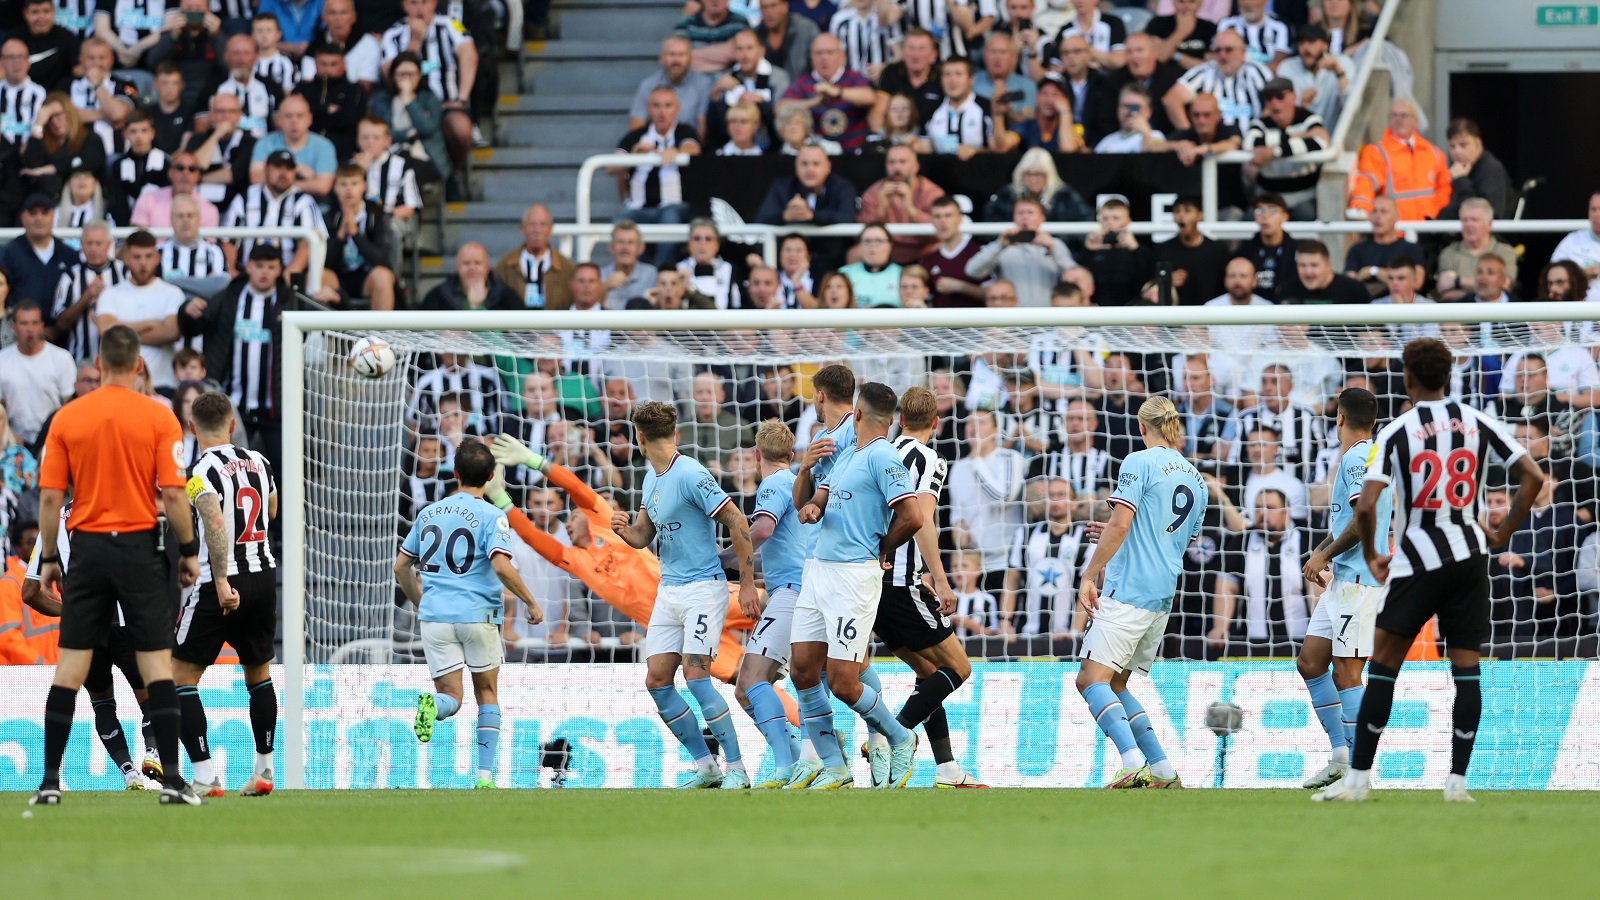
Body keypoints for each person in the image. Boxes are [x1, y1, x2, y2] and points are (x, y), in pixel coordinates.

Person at [1315, 338, 1544, 803]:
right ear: (1449, 375)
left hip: (1418, 558)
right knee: (1466, 669)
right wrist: (1500, 535)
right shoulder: (1478, 421)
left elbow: (1370, 502)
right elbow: (1533, 476)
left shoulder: (1397, 431)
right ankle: (1457, 783)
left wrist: (1377, 556)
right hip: (1468, 556)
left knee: (1381, 668)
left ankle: (1357, 781)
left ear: (1408, 379)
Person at [29, 323, 202, 807]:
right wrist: (187, 552)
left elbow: (49, 496)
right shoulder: (159, 416)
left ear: (100, 365)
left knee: (70, 668)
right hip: (135, 550)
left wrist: (47, 557)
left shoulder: (68, 417)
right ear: (140, 366)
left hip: (85, 551)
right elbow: (171, 493)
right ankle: (172, 780)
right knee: (156, 667)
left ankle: (48, 784)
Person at [608, 401, 758, 789]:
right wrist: (624, 530)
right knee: (657, 680)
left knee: (696, 678)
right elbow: (644, 537)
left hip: (702, 590)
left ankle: (738, 769)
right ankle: (706, 766)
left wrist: (744, 582)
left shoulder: (691, 473)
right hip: (669, 591)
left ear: (639, 438)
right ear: (673, 432)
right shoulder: (651, 478)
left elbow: (737, 521)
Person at [789, 382, 921, 790]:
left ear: (859, 415)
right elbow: (819, 498)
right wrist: (813, 506)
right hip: (819, 572)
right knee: (802, 670)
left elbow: (913, 515)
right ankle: (835, 766)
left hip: (853, 577)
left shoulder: (883, 456)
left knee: (845, 682)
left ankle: (901, 737)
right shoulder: (849, 453)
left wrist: (882, 547)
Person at [1075, 396, 1205, 789]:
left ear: (1141, 426)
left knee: (1089, 680)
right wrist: (1120, 534)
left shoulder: (1138, 461)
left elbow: (1121, 525)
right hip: (1163, 593)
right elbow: (1169, 536)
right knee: (1116, 684)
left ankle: (1132, 762)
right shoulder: (1196, 478)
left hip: (1128, 588)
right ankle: (1163, 771)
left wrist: (1089, 575)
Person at [396, 441, 541, 790]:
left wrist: (419, 601)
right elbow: (501, 565)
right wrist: (530, 602)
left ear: (455, 474)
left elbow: (401, 566)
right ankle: (484, 777)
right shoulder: (493, 515)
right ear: (491, 477)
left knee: (453, 698)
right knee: (486, 693)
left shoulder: (428, 513)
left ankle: (437, 704)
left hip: (435, 618)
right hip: (477, 615)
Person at [170, 392, 279, 797]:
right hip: (264, 575)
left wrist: (218, 581)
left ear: (194, 429)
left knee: (180, 675)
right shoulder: (260, 461)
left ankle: (205, 775)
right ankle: (265, 771)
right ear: (232, 425)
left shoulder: (198, 470)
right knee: (259, 673)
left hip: (224, 580)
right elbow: (270, 508)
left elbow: (214, 520)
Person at [877, 387, 986, 788]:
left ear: (900, 419)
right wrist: (940, 580)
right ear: (936, 423)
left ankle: (947, 769)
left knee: (928, 672)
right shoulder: (929, 460)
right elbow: (921, 518)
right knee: (959, 668)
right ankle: (896, 733)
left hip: (870, 583)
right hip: (902, 582)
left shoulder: (880, 452)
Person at [1296, 387, 1390, 790]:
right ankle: (1339, 756)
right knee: (1311, 662)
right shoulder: (1373, 454)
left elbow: (1362, 517)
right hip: (1343, 582)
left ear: (1338, 418)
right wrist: (1322, 552)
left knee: (1348, 673)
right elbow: (1351, 521)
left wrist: (1325, 554)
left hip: (1359, 584)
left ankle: (1359, 773)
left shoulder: (1357, 456)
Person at [178, 244, 293, 474]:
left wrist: (337, 298)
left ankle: (277, 513)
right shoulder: (230, 296)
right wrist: (186, 311)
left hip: (274, 410)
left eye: (271, 267)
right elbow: (196, 325)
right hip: (233, 405)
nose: (264, 272)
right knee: (229, 469)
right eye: (259, 266)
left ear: (280, 269)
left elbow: (328, 314)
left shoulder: (290, 299)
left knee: (284, 473)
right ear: (248, 266)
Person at [379, 0, 477, 179]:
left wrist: (461, 99)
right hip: (408, 107)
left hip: (446, 105)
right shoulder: (392, 34)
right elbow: (389, 75)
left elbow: (469, 55)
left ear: (434, 4)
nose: (419, 8)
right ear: (404, 6)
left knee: (461, 128)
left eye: (425, 2)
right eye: (413, 3)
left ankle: (453, 173)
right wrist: (415, 41)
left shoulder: (450, 24)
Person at [222, 149, 336, 300]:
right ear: (266, 169)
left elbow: (308, 243)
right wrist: (231, 271)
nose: (283, 173)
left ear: (295, 172)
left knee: (324, 279)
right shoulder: (245, 197)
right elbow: (228, 239)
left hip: (287, 275)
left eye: (289, 168)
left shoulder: (304, 201)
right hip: (247, 273)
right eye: (277, 167)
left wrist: (291, 271)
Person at [613, 86, 700, 268]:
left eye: (667, 106)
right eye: (656, 106)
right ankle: (641, 272)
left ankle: (662, 274)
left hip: (674, 206)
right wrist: (633, 156)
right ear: (648, 108)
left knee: (670, 218)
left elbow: (694, 148)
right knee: (621, 221)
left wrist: (676, 151)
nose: (662, 112)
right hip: (638, 208)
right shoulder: (636, 136)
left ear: (677, 108)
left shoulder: (684, 131)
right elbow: (610, 167)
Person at [94, 231, 188, 393]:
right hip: (122, 387)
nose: (143, 263)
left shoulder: (173, 293)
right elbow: (106, 331)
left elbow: (171, 332)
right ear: (127, 259)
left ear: (157, 258)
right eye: (137, 257)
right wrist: (150, 324)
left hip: (163, 384)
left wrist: (123, 336)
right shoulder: (111, 294)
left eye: (148, 256)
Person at [1346, 98, 1451, 221]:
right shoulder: (1377, 152)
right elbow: (1366, 183)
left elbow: (1444, 187)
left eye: (1404, 115)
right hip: (1395, 230)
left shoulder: (1433, 152)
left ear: (1416, 121)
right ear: (1388, 121)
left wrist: (1436, 213)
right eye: (1393, 115)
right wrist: (1360, 207)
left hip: (1428, 230)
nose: (1398, 120)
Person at [1242, 77, 1326, 220]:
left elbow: (1319, 142)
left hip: (1303, 198)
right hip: (1269, 200)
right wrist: (1299, 137)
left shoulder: (1309, 119)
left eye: (1280, 97)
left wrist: (1274, 151)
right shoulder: (1259, 123)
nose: (1274, 103)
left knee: (1306, 214)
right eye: (1269, 98)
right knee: (1246, 221)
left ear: (1293, 97)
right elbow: (1250, 143)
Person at [966, 197, 1075, 307]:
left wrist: (1053, 249)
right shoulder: (1002, 245)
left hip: (1048, 318)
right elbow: (972, 272)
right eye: (1020, 213)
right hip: (1013, 320)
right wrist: (999, 245)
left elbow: (1075, 279)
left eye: (1030, 212)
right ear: (1014, 218)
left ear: (1042, 218)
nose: (1025, 217)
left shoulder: (1055, 244)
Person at [776, 33, 875, 153]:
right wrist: (815, 102)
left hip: (854, 154)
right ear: (811, 57)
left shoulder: (854, 77)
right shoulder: (803, 82)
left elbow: (870, 97)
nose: (824, 58)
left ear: (842, 56)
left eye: (830, 52)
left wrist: (838, 92)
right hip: (815, 156)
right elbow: (780, 108)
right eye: (818, 53)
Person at [0, 300, 75, 447]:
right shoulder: (2, 359)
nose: (30, 329)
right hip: (15, 441)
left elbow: (69, 406)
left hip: (54, 438)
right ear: (13, 327)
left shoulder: (61, 358)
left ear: (42, 326)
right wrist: (10, 435)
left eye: (35, 323)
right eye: (24, 323)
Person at [1164, 29, 1272, 131]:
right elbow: (1171, 100)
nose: (1222, 55)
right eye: (1217, 50)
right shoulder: (1203, 72)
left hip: (1252, 144)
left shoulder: (1258, 72)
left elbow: (1280, 99)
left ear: (1243, 52)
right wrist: (1190, 134)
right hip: (1214, 146)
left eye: (1228, 50)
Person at [49, 221, 126, 362]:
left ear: (108, 245)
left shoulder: (125, 272)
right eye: (89, 243)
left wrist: (108, 299)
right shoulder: (70, 276)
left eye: (98, 243)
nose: (93, 249)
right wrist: (85, 297)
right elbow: (60, 324)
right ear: (82, 245)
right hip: (81, 359)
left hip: (120, 358)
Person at [323, 162, 395, 309]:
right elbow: (323, 262)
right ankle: (325, 332)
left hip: (368, 278)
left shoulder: (378, 215)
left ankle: (380, 332)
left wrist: (355, 234)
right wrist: (341, 236)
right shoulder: (329, 216)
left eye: (354, 183)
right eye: (343, 184)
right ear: (335, 188)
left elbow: (383, 260)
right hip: (339, 278)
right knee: (320, 275)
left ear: (364, 185)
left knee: (383, 275)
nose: (349, 189)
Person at [368, 51, 449, 180]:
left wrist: (408, 100)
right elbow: (381, 132)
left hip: (425, 156)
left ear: (419, 75)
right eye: (401, 74)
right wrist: (407, 133)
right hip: (389, 154)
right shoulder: (382, 99)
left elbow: (426, 128)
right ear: (393, 76)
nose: (406, 79)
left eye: (411, 74)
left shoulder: (429, 98)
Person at [856, 144, 943, 264]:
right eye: (891, 162)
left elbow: (941, 231)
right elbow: (859, 235)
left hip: (923, 251)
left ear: (915, 166)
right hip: (884, 252)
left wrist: (910, 209)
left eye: (903, 162)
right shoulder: (873, 193)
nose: (897, 167)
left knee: (942, 248)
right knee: (854, 253)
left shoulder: (932, 192)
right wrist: (881, 210)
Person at [19, 92, 106, 200]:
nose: (55, 121)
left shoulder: (90, 138)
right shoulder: (43, 142)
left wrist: (53, 168)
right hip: (49, 202)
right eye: (49, 117)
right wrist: (38, 126)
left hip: (85, 199)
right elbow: (32, 166)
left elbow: (90, 161)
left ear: (70, 113)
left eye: (59, 114)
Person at [249, 93, 336, 196]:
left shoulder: (324, 146)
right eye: (288, 116)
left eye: (300, 116)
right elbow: (256, 180)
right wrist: (301, 172)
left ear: (309, 119)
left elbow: (323, 186)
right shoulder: (265, 143)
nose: (294, 121)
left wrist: (278, 180)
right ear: (279, 119)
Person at [493, 203, 575, 310]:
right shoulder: (505, 265)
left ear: (550, 229)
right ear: (522, 228)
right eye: (532, 224)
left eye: (543, 224)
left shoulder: (566, 267)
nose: (537, 230)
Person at [295, 42, 367, 162]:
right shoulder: (303, 89)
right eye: (323, 64)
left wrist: (314, 113)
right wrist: (326, 110)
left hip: (342, 153)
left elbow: (351, 120)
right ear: (315, 64)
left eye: (333, 64)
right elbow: (297, 118)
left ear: (344, 65)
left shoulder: (354, 90)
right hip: (305, 150)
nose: (328, 69)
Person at [206, 33, 284, 141]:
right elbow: (202, 128)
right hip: (225, 149)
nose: (241, 60)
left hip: (262, 149)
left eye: (246, 53)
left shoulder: (270, 86)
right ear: (226, 56)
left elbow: (280, 127)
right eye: (236, 53)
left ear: (256, 57)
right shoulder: (212, 87)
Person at [1157, 196, 1230, 306]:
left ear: (1200, 215)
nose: (1181, 215)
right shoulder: (1163, 250)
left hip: (1211, 318)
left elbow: (1225, 289)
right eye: (1177, 211)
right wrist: (1166, 282)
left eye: (1187, 210)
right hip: (1174, 318)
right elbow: (1150, 288)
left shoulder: (1217, 250)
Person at [1275, 24, 1350, 128]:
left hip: (1335, 137)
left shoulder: (1342, 62)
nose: (1305, 48)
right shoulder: (1286, 67)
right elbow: (1278, 109)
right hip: (1299, 136)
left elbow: (1353, 106)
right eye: (1301, 43)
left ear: (1325, 46)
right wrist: (1299, 101)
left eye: (1311, 42)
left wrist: (1339, 73)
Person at [1343, 194, 1422, 290]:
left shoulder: (1411, 249)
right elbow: (1348, 285)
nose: (1378, 216)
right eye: (1374, 211)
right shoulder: (1357, 249)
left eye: (1383, 211)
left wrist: (1374, 271)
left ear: (1396, 216)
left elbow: (1417, 283)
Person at [919, 196, 985, 308]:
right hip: (939, 324)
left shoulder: (979, 252)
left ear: (960, 219)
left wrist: (960, 287)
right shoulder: (927, 259)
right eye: (937, 216)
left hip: (976, 324)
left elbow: (994, 294)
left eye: (948, 215)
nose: (943, 221)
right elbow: (928, 299)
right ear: (931, 220)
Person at [1231, 192, 1297, 300]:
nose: (1265, 216)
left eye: (1272, 210)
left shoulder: (1297, 252)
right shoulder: (1243, 252)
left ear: (1285, 217)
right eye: (1259, 211)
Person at [1440, 117, 1511, 220]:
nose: (1457, 151)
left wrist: (1461, 181)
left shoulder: (1491, 169)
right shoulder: (1457, 170)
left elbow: (1486, 214)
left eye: (1463, 145)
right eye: (1452, 146)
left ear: (1478, 145)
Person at [421, 242, 519, 311]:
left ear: (487, 267)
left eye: (477, 263)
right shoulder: (437, 296)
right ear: (457, 267)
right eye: (466, 263)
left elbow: (519, 335)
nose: (472, 268)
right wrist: (441, 336)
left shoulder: (506, 297)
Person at [1279, 239, 1369, 306]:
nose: (1308, 271)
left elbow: (1373, 328)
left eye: (1314, 265)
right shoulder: (1287, 290)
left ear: (1328, 266)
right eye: (1302, 265)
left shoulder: (1354, 290)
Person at [1011, 72, 1083, 153]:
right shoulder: (1026, 127)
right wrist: (997, 115)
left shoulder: (1074, 126)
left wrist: (1065, 112)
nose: (1049, 101)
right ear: (1037, 98)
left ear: (1065, 100)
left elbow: (1068, 149)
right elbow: (1001, 147)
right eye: (1045, 94)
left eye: (1055, 95)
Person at [1551, 190, 1600, 303]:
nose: (1597, 214)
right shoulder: (1573, 241)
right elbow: (1552, 274)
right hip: (1578, 315)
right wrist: (1580, 275)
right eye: (1593, 209)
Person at [1216, 0, 1290, 69]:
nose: (1247, 3)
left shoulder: (1280, 26)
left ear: (1265, 1)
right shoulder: (1226, 25)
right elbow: (1217, 56)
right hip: (1232, 76)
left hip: (1268, 78)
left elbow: (1279, 64)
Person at [1094, 83, 1164, 154]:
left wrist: (1146, 134)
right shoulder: (1106, 142)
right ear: (1118, 109)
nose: (1130, 112)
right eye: (1125, 106)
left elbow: (1152, 159)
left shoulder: (1155, 136)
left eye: (1135, 107)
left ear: (1148, 112)